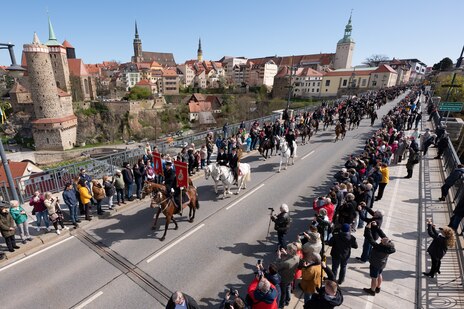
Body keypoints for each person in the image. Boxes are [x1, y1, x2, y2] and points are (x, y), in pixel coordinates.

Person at [363, 222, 395, 296]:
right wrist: (376, 226)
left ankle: (372, 290)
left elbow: (371, 239)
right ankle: (378, 287)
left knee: (374, 278)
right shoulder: (390, 246)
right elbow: (382, 235)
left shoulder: (379, 247)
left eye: (381, 241)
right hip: (382, 264)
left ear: (383, 244)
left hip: (375, 264)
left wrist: (367, 228)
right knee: (380, 274)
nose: (380, 240)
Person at [275, 243, 299, 308]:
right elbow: (292, 257)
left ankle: (282, 304)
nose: (286, 250)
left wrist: (279, 256)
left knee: (283, 292)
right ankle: (288, 300)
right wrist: (286, 253)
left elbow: (278, 266)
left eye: (287, 249)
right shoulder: (297, 257)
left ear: (290, 251)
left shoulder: (286, 263)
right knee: (288, 287)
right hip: (291, 276)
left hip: (284, 278)